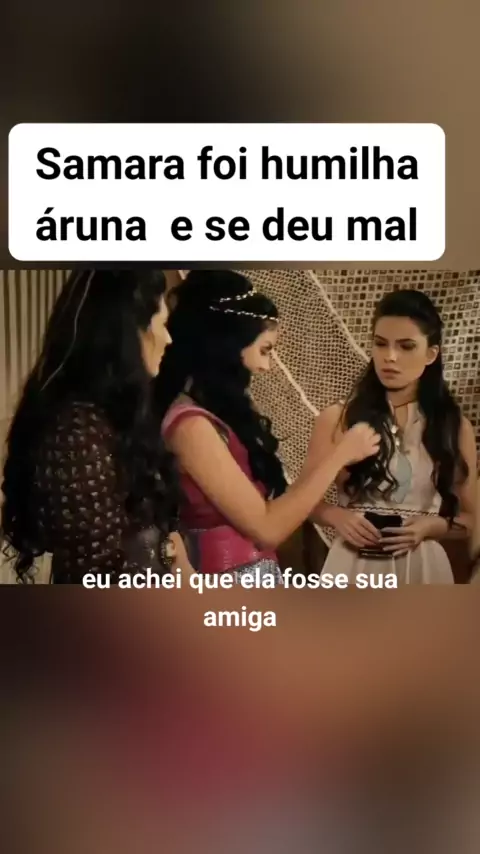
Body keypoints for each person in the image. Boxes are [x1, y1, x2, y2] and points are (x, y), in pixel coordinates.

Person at [155, 269, 380, 579]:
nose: (266, 366)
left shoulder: (214, 419)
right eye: (265, 350)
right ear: (228, 344)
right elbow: (267, 529)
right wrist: (340, 454)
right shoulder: (190, 426)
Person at [1, 269, 191, 584]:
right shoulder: (76, 433)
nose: (168, 339)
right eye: (162, 324)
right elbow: (98, 575)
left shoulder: (116, 417)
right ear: (127, 334)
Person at [306, 289, 477, 585]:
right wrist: (336, 516)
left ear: (431, 354)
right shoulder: (337, 418)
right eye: (380, 344)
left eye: (406, 346)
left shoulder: (454, 426)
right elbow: (302, 500)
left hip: (422, 568)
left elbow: (472, 518)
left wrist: (432, 526)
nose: (390, 357)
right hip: (352, 565)